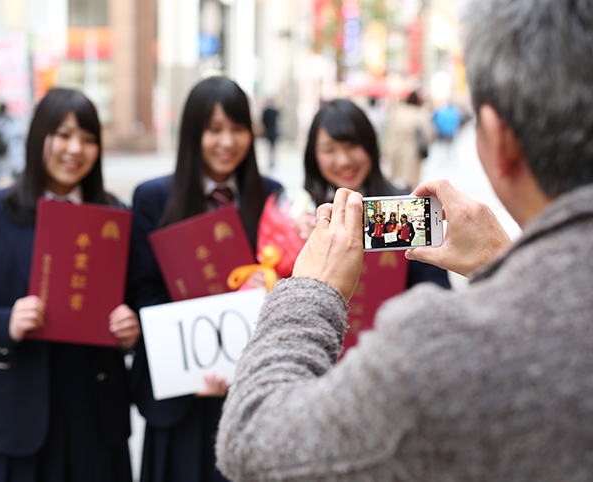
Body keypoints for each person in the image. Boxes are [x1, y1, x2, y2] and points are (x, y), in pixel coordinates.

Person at [216, 0, 593, 480]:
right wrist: (503, 261)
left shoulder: (436, 345)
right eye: (327, 149)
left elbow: (253, 440)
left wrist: (311, 291)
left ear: (498, 139)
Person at [0, 88, 140, 482]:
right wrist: (5, 321)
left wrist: (131, 327)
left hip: (94, 411)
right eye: (64, 134)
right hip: (16, 414)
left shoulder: (115, 216)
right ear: (39, 137)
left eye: (89, 139)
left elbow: (140, 297)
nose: (76, 149)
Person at [126, 76, 282, 482]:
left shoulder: (273, 198)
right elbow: (140, 291)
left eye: (237, 128)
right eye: (213, 129)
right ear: (192, 133)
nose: (226, 142)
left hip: (253, 391)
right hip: (178, 390)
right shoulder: (153, 198)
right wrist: (198, 355)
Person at [302, 98, 450, 289]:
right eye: (329, 150)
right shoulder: (300, 215)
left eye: (352, 146)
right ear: (313, 156)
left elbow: (437, 289)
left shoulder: (406, 207)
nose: (343, 160)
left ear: (371, 146)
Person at [383, 90, 433, 191]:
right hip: (412, 151)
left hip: (396, 148)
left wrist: (387, 150)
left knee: (396, 178)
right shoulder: (419, 114)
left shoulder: (398, 112)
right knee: (410, 179)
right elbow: (429, 133)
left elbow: (389, 132)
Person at [0, 103, 24, 185]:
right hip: (9, 153)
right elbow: (14, 135)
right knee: (7, 175)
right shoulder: (9, 120)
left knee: (2, 174)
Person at [261, 99, 279, 168]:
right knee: (271, 147)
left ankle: (271, 161)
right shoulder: (270, 111)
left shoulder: (268, 111)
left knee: (271, 147)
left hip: (270, 131)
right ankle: (271, 161)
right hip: (271, 131)